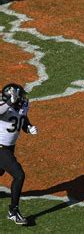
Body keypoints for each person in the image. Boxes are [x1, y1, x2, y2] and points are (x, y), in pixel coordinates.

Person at [0, 83, 38, 225]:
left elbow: (22, 118)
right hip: (0, 147)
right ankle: (13, 212)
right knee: (19, 175)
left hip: (9, 147)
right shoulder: (3, 105)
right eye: (19, 96)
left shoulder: (21, 105)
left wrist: (28, 127)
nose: (22, 98)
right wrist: (10, 102)